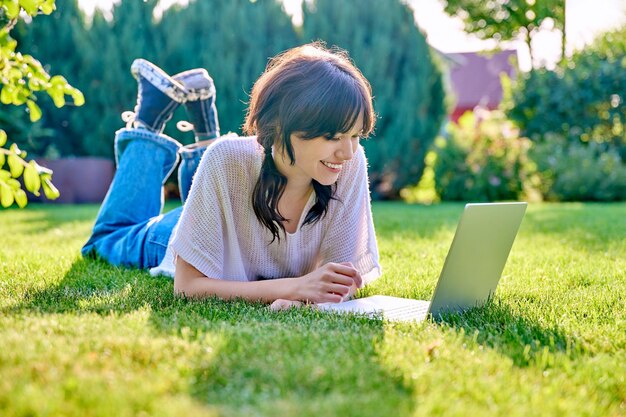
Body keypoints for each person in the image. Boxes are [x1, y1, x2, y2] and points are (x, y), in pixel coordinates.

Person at [82, 42, 381, 310]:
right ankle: (147, 125)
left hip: (231, 211)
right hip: (183, 234)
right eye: (332, 137)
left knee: (223, 167)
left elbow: (339, 284)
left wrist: (303, 299)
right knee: (106, 239)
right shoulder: (226, 159)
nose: (348, 152)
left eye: (356, 135)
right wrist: (294, 288)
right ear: (280, 125)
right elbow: (187, 288)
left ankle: (202, 117)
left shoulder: (348, 166)